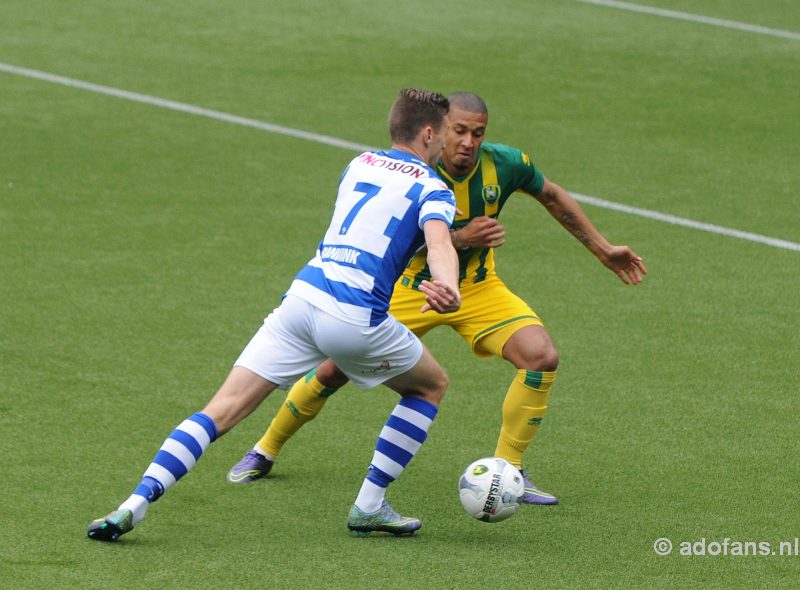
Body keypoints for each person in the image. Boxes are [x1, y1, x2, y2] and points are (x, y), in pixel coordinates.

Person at [226, 92, 648, 504]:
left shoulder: (504, 164)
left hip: (479, 289)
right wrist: (462, 237)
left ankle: (509, 469)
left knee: (541, 356)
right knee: (334, 369)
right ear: (438, 131)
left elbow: (552, 196)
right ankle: (265, 449)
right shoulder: (414, 174)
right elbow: (389, 241)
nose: (467, 142)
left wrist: (603, 249)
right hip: (411, 288)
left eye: (477, 133)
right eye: (459, 131)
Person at [87, 88, 461, 541]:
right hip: (353, 316)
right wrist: (449, 286)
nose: (445, 145)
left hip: (301, 301)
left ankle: (134, 503)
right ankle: (369, 504)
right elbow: (439, 242)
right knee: (430, 385)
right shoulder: (433, 187)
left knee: (219, 410)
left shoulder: (359, 164)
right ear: (426, 133)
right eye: (443, 135)